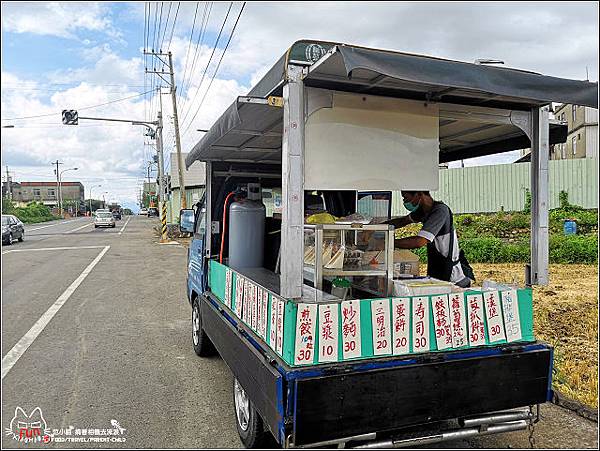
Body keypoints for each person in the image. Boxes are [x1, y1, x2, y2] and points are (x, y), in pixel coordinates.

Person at [386, 190, 473, 287]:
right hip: (438, 273)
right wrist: (375, 228)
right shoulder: (424, 211)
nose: (405, 202)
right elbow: (402, 221)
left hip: (453, 279)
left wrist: (387, 243)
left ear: (419, 194)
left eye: (406, 197)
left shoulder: (440, 211)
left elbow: (419, 241)